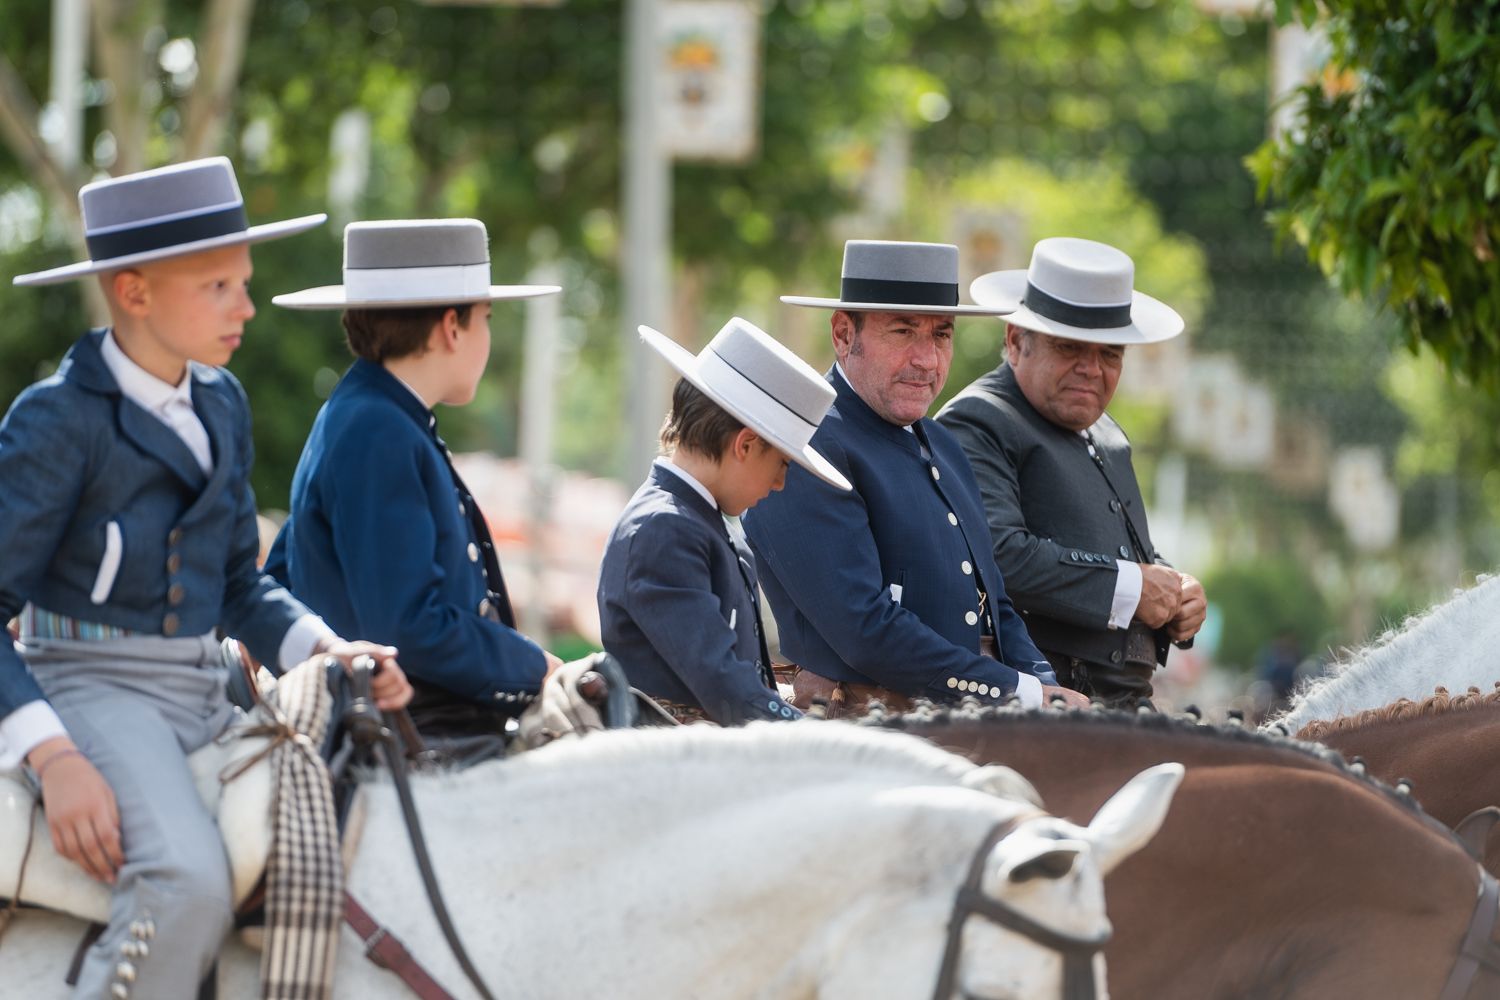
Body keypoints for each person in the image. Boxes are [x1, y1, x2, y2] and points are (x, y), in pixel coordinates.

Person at [2, 157, 411, 999]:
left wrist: (330, 652)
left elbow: (239, 586)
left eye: (245, 282)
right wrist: (54, 756)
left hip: (200, 684)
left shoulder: (222, 401)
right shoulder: (57, 420)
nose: (247, 307)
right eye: (218, 285)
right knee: (185, 881)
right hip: (88, 685)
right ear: (134, 293)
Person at [742, 240, 1087, 717]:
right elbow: (864, 628)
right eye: (903, 331)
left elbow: (996, 604)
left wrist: (1043, 686)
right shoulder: (808, 445)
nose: (927, 359)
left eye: (941, 335)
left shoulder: (943, 444)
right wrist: (1017, 691)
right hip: (874, 729)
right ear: (844, 334)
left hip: (979, 717)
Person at [265, 218, 565, 745]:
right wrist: (535, 666)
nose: (486, 337)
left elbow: (284, 573)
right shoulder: (377, 428)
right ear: (453, 326)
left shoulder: (368, 413)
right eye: (485, 318)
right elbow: (405, 627)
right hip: (411, 731)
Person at [937, 236, 1206, 706]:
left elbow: (1120, 551)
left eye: (1110, 355)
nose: (1091, 369)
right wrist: (1134, 587)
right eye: (1069, 349)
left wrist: (1176, 591)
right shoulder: (979, 419)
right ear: (1016, 341)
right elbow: (998, 554)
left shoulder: (1107, 434)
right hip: (1044, 705)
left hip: (1120, 703)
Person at [598, 317, 851, 724]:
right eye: (782, 463)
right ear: (746, 444)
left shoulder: (698, 522)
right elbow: (721, 683)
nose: (781, 483)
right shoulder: (665, 528)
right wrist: (810, 735)